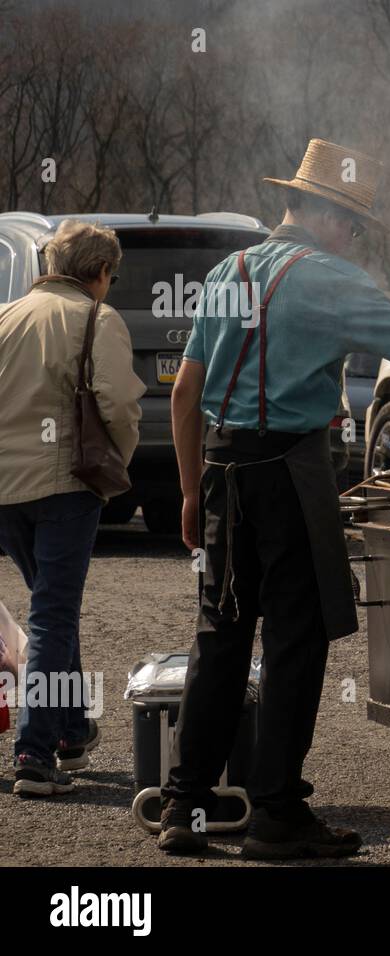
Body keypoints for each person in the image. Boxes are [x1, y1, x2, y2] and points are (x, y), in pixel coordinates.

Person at [160, 138, 390, 858]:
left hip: (223, 472)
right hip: (291, 473)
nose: (355, 235)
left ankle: (185, 806)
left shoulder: (227, 270)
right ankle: (274, 815)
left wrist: (188, 493)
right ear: (328, 217)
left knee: (220, 639)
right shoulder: (331, 277)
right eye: (353, 223)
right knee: (295, 643)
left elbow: (184, 394)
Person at [0, 219, 145, 796]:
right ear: (101, 272)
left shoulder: (5, 316)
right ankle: (35, 755)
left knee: (49, 609)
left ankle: (72, 727)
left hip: (5, 492)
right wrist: (116, 468)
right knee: (53, 617)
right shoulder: (97, 318)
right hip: (64, 485)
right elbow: (119, 406)